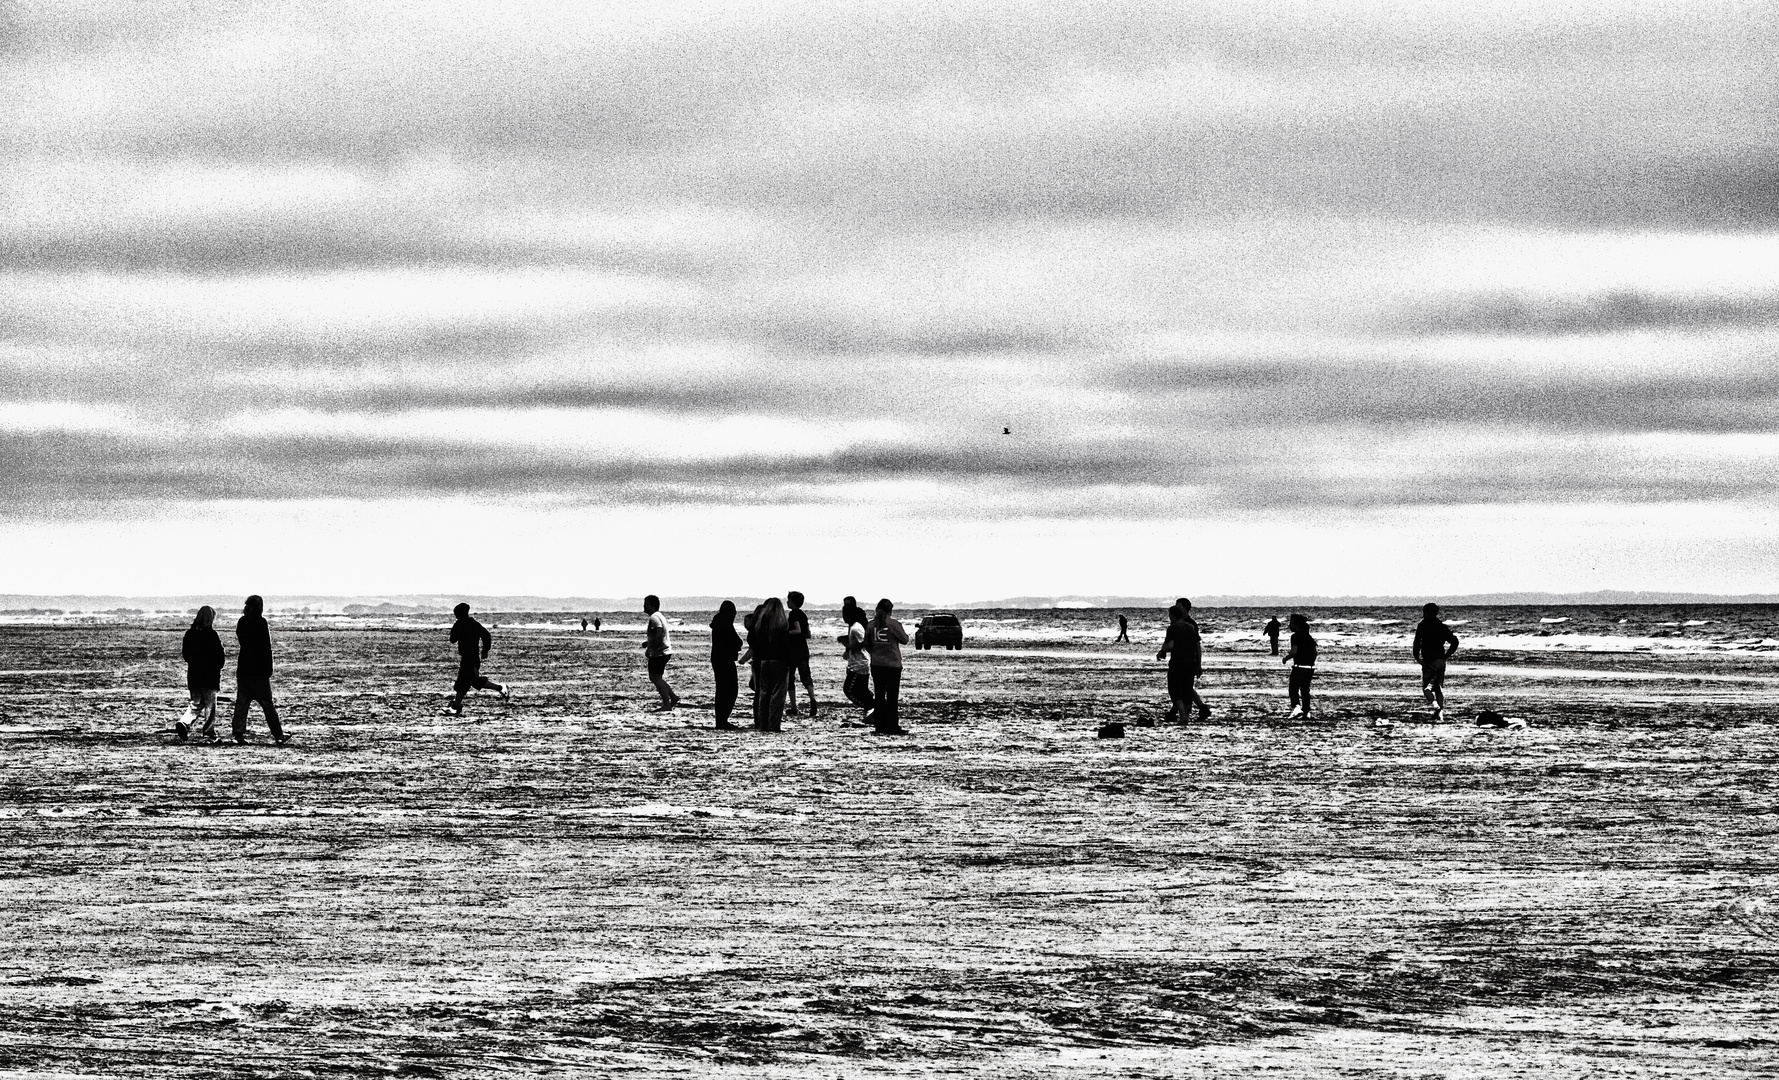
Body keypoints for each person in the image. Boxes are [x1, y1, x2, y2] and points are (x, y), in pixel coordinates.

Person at [231, 595, 289, 745]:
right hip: (259, 671)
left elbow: (243, 641)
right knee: (267, 704)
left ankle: (238, 734)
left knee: (242, 704)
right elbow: (266, 648)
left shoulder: (242, 622)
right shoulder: (261, 623)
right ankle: (279, 735)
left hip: (244, 668)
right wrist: (268, 668)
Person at [449, 602, 510, 716]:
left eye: (456, 615)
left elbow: (453, 639)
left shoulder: (460, 624)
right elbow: (486, 635)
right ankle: (456, 706)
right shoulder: (475, 624)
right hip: (473, 657)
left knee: (471, 681)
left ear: (458, 614)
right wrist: (485, 650)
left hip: (469, 658)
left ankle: (501, 688)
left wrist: (456, 627)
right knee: (464, 682)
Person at [1156, 598, 1209, 723]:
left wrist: (1163, 650)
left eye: (1178, 607)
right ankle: (1186, 712)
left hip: (1180, 661)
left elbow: (1172, 645)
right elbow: (1196, 645)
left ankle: (1186, 713)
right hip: (1190, 661)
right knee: (1186, 688)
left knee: (1176, 689)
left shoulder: (1182, 626)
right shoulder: (1190, 626)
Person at [178, 605, 224, 741]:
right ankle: (209, 733)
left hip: (194, 675)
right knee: (210, 705)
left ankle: (185, 722)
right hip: (210, 676)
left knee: (196, 703)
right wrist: (216, 666)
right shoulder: (212, 635)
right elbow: (219, 656)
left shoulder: (189, 634)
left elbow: (186, 655)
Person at [749, 597, 793, 731]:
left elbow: (753, 640)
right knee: (777, 695)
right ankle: (774, 725)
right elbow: (786, 645)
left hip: (764, 661)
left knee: (764, 693)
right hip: (779, 661)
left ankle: (763, 724)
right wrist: (790, 661)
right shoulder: (782, 625)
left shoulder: (760, 625)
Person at [868, 598, 910, 734]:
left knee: (879, 696)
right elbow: (905, 640)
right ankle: (892, 725)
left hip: (876, 664)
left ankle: (879, 725)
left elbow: (867, 644)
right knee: (892, 697)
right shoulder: (893, 624)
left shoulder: (871, 625)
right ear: (890, 611)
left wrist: (876, 651)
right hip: (893, 664)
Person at [1413, 602, 1461, 719]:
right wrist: (1446, 655)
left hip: (1429, 660)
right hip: (1440, 660)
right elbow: (1454, 642)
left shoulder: (1423, 626)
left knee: (1426, 688)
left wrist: (1417, 657)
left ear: (1426, 613)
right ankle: (1441, 712)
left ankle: (1436, 707)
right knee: (1438, 688)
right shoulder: (1441, 627)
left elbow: (1417, 642)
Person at [784, 591, 819, 717]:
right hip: (803, 648)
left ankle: (793, 706)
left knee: (790, 678)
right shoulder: (803, 615)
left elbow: (797, 630)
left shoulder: (793, 614)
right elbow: (807, 633)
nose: (787, 602)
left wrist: (786, 633)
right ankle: (812, 699)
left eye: (788, 600)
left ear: (792, 602)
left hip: (793, 650)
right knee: (806, 676)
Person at [709, 601, 743, 730]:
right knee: (731, 690)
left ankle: (721, 720)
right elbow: (736, 641)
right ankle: (723, 720)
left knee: (722, 690)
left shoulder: (718, 622)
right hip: (725, 659)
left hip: (718, 659)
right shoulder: (726, 624)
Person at [642, 595, 680, 709]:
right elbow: (658, 634)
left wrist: (651, 649)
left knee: (656, 678)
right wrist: (647, 643)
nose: (644, 606)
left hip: (660, 652)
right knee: (655, 677)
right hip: (663, 651)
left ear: (653, 606)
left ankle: (667, 703)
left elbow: (658, 633)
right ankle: (672, 697)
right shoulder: (658, 616)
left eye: (647, 604)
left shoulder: (654, 617)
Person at [838, 619, 874, 722]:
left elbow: (863, 643)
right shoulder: (853, 627)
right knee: (863, 691)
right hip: (858, 664)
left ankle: (872, 707)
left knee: (849, 690)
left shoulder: (856, 627)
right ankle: (873, 708)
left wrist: (849, 646)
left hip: (859, 665)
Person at [1282, 613, 1317, 719]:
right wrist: (1310, 662)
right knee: (1305, 690)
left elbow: (1294, 651)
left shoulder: (1295, 636)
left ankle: (1296, 707)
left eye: (1291, 623)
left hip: (1299, 667)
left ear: (1296, 625)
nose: (1289, 626)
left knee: (1293, 688)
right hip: (1310, 667)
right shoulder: (1309, 637)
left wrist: (1286, 658)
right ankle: (1307, 711)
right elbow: (1315, 653)